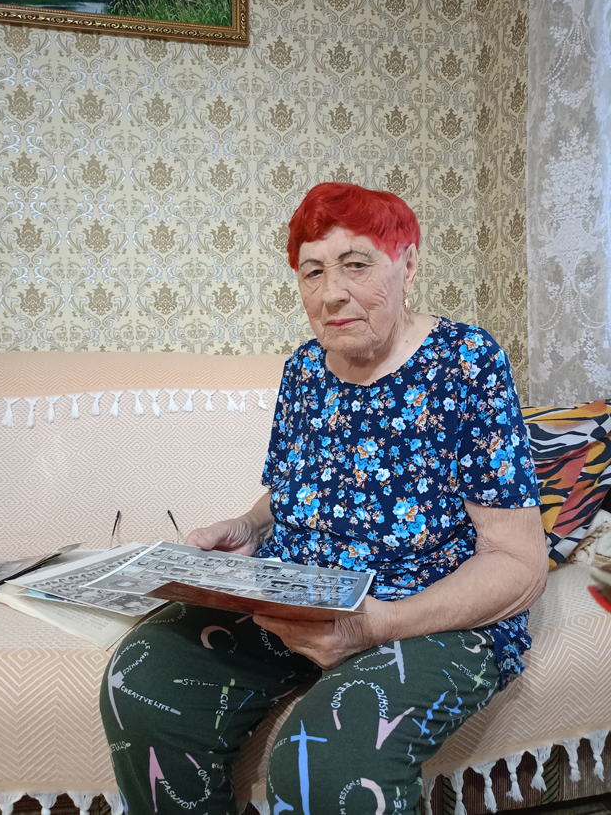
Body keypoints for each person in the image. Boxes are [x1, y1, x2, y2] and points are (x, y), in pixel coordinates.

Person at [100, 183, 548, 815]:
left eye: (356, 264)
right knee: (144, 676)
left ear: (408, 265)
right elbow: (296, 488)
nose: (331, 292)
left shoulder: (467, 362)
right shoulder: (306, 368)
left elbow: (519, 564)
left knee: (325, 764)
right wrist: (250, 526)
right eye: (313, 271)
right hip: (299, 598)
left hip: (424, 611)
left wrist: (376, 626)